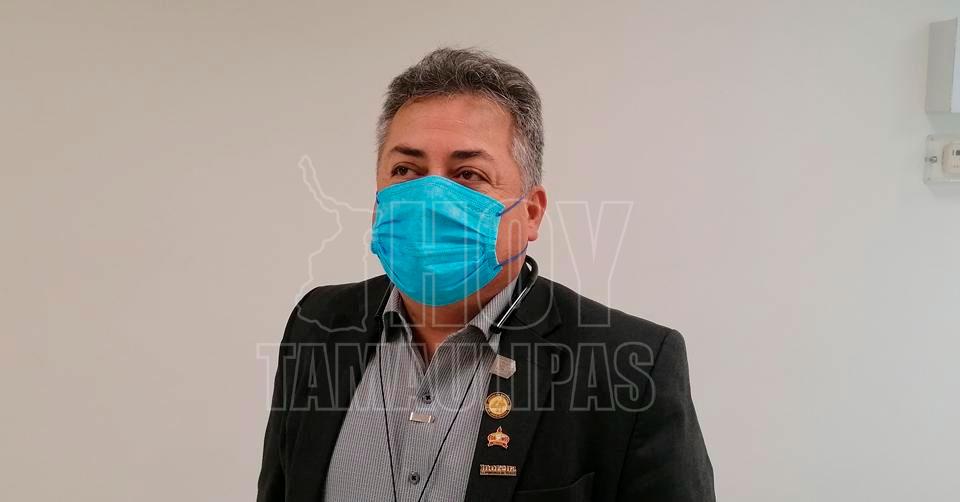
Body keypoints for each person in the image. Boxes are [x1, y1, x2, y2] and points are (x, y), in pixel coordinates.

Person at [257, 47, 714, 502]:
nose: (431, 196)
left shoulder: (632, 368)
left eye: (468, 174)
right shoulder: (316, 324)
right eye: (405, 169)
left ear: (530, 213)